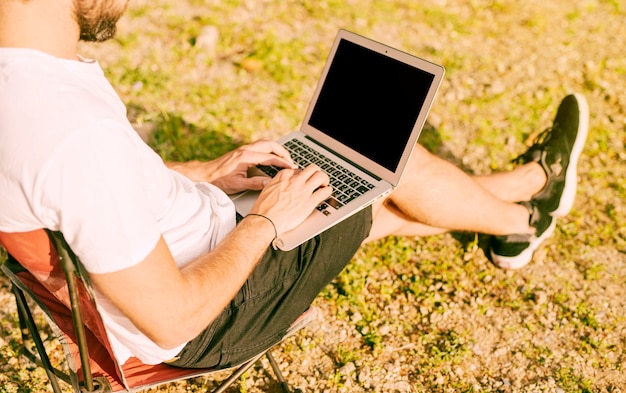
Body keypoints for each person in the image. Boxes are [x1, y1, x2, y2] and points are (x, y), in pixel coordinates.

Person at [0, 0, 588, 370]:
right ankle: (529, 209)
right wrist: (264, 220)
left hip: (173, 248)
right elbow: (173, 318)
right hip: (211, 322)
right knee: (384, 167)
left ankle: (515, 198)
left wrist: (208, 173)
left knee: (348, 188)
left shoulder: (27, 86)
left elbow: (90, 193)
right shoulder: (72, 134)